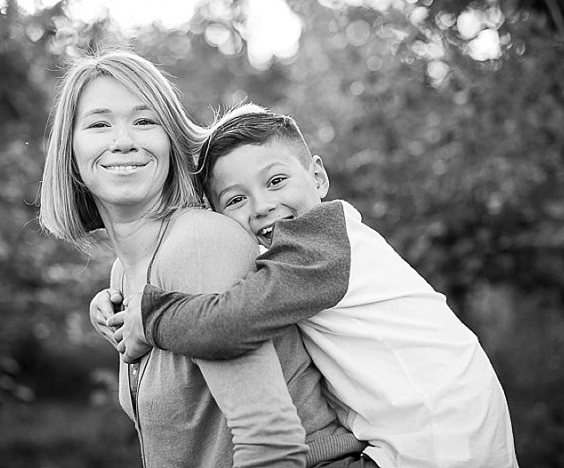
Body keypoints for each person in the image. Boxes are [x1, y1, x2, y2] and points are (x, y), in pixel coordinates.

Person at [104, 104, 520, 468]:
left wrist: (150, 316)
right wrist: (113, 300)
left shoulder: (320, 247)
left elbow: (230, 322)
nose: (262, 205)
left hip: (441, 444)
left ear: (318, 177)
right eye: (234, 200)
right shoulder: (310, 252)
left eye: (275, 181)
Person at [42, 51, 369, 468]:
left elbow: (272, 444)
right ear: (69, 150)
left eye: (145, 121)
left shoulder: (198, 242)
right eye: (99, 123)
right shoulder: (123, 272)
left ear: (172, 140)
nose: (123, 140)